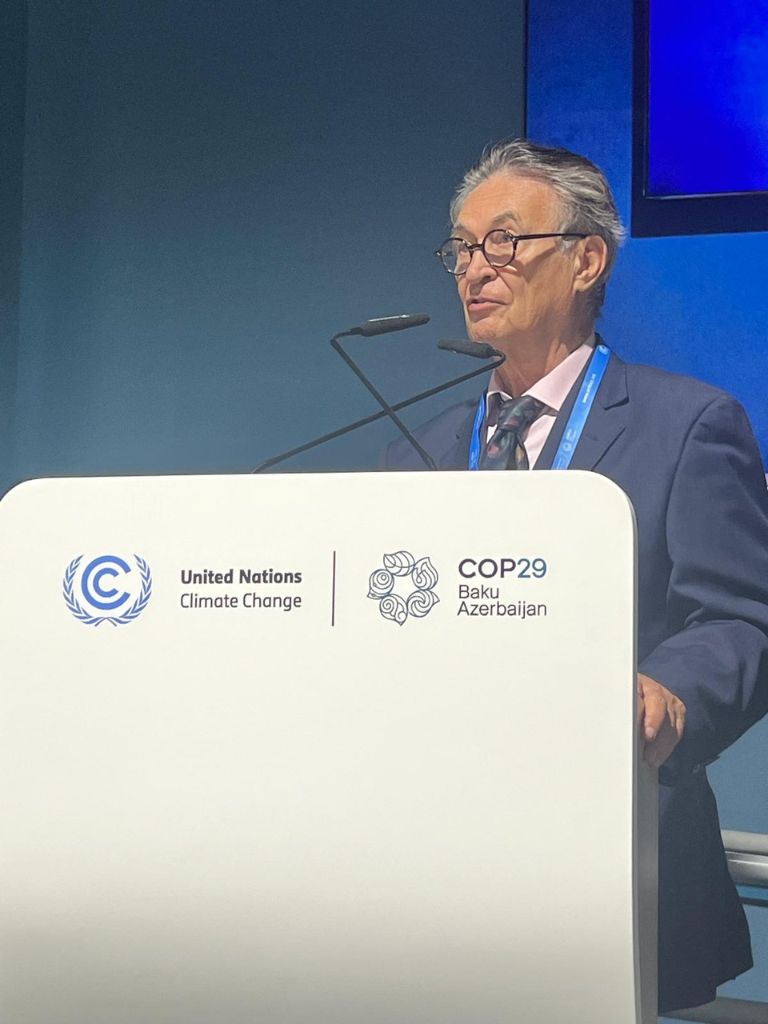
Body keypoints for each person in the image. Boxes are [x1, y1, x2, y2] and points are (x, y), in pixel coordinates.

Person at [384, 138, 768, 1014]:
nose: (475, 269)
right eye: (461, 248)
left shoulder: (689, 424)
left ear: (588, 259)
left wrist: (671, 692)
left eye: (505, 242)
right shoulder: (417, 450)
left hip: (624, 857)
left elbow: (745, 619)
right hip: (440, 870)